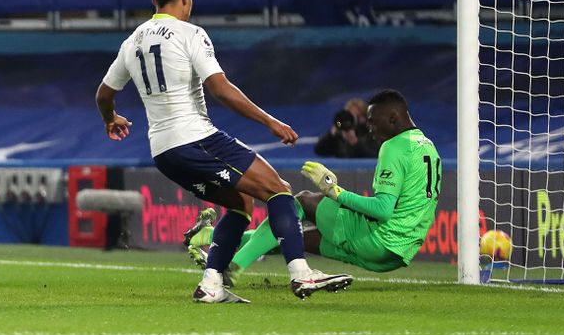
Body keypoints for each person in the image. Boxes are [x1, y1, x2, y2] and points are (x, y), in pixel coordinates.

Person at [95, 0, 352, 303]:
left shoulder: (132, 42)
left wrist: (110, 119)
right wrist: (270, 121)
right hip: (195, 138)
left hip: (163, 152)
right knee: (279, 190)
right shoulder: (191, 34)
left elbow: (103, 94)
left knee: (241, 203)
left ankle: (211, 284)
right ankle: (302, 274)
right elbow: (220, 88)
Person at [187, 89, 440, 276]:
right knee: (295, 237)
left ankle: (234, 266)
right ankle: (211, 236)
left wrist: (335, 191)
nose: (370, 129)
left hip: (379, 239)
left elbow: (383, 210)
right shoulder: (429, 147)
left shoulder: (394, 147)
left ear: (393, 119)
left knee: (302, 200)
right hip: (397, 255)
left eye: (373, 122)